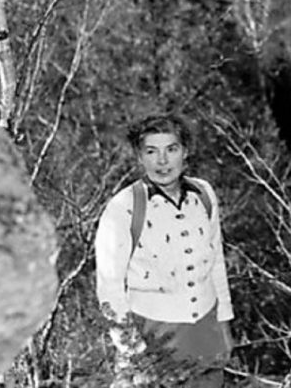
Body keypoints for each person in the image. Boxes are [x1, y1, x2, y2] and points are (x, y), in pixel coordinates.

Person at [95, 113, 234, 388]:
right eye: (151, 151)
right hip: (152, 339)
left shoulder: (203, 195)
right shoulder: (123, 208)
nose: (162, 161)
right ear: (139, 157)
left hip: (205, 335)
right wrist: (133, 353)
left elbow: (216, 261)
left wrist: (225, 324)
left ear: (185, 152)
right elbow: (109, 288)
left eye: (171, 149)